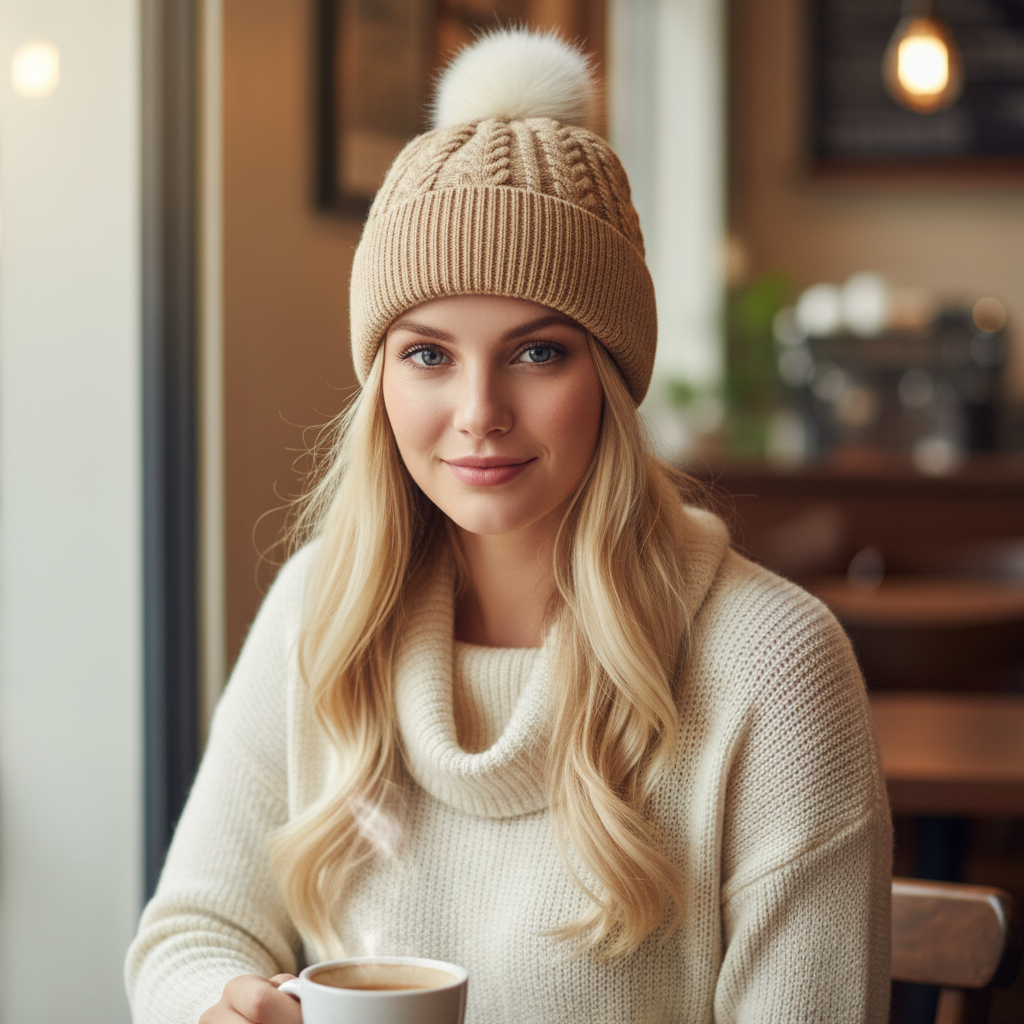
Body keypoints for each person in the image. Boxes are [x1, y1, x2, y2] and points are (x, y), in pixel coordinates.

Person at [125, 28, 892, 1024]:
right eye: (429, 355)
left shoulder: (773, 669)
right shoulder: (321, 608)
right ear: (380, 378)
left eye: (536, 353)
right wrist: (218, 1005)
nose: (478, 411)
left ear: (612, 377)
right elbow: (190, 933)